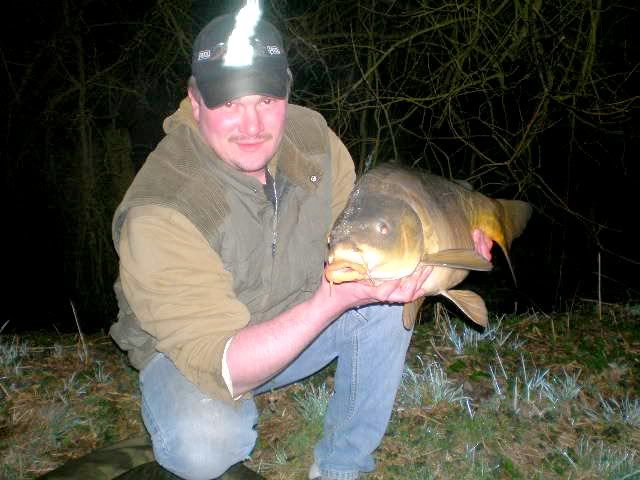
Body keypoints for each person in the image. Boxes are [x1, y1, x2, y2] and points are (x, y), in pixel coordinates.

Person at [109, 9, 493, 480]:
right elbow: (223, 362)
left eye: (267, 100)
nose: (252, 125)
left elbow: (357, 237)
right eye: (229, 104)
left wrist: (443, 254)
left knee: (388, 291)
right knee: (205, 444)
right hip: (200, 358)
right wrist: (332, 301)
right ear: (195, 99)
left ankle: (341, 466)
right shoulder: (163, 208)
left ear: (288, 90)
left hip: (289, 316)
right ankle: (182, 412)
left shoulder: (314, 142)